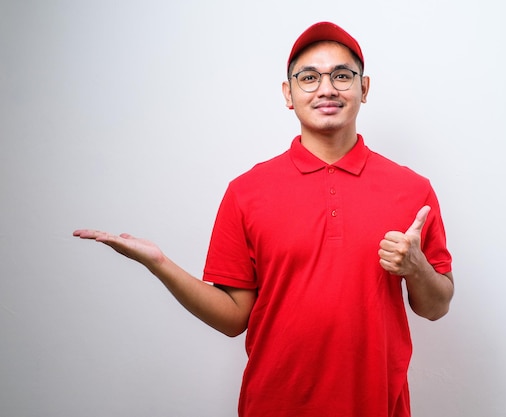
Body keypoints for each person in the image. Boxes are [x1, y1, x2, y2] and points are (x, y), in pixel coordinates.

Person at [74, 21, 454, 417]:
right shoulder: (246, 192)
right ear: (288, 94)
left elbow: (435, 306)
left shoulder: (412, 190)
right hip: (273, 406)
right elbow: (234, 318)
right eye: (309, 78)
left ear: (364, 88)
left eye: (342, 76)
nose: (327, 88)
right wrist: (159, 263)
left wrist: (417, 268)